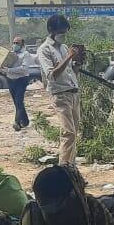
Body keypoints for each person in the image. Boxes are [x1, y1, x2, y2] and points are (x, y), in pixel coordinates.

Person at [37, 14, 81, 165]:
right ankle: (64, 171)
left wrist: (77, 64)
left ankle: (71, 167)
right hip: (60, 95)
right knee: (68, 133)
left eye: (65, 32)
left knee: (74, 133)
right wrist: (68, 57)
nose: (63, 35)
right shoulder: (44, 49)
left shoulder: (63, 47)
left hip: (73, 92)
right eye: (61, 32)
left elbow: (69, 73)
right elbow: (52, 75)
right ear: (51, 30)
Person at [4, 37, 35, 131]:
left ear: (22, 44)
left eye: (17, 43)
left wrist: (9, 70)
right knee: (17, 102)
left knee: (18, 101)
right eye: (14, 42)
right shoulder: (10, 54)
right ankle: (25, 121)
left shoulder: (26, 54)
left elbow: (24, 68)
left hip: (21, 80)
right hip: (10, 79)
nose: (15, 44)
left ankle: (17, 122)